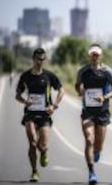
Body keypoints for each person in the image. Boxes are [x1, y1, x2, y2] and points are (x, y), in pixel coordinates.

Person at [15, 48, 65, 182]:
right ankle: (34, 171)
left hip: (44, 114)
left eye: (42, 59)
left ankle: (43, 152)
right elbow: (17, 95)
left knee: (43, 145)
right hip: (30, 113)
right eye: (38, 59)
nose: (40, 62)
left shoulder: (49, 76)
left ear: (45, 60)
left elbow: (62, 91)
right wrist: (25, 101)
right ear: (33, 59)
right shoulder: (25, 76)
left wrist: (54, 106)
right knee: (32, 142)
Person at [75, 44, 112, 184]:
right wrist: (80, 91)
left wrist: (105, 97)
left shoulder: (107, 71)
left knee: (98, 145)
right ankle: (91, 172)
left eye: (97, 54)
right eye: (92, 54)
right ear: (89, 56)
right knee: (89, 139)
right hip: (88, 110)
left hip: (102, 111)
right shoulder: (83, 71)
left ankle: (97, 151)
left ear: (101, 56)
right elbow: (77, 85)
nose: (94, 57)